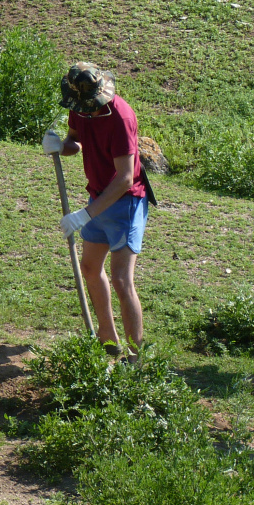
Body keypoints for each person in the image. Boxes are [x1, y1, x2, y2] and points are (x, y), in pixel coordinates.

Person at [44, 61, 151, 356]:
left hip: (126, 202)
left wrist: (84, 215)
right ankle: (108, 340)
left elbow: (125, 178)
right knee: (90, 269)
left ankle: (137, 355)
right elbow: (75, 143)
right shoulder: (79, 108)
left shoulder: (121, 117)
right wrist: (58, 146)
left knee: (120, 279)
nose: (84, 111)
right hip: (98, 198)